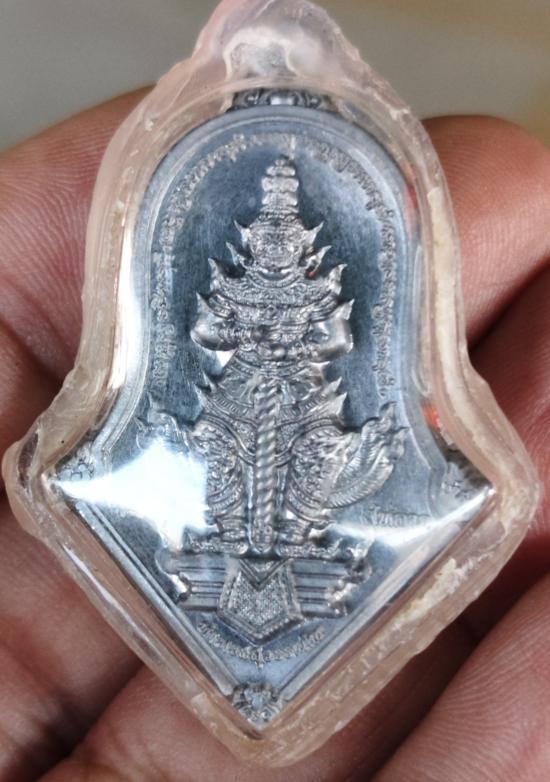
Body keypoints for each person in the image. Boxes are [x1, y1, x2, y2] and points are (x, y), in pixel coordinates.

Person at [0, 91, 548, 781]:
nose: (279, 247)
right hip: (236, 397)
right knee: (222, 463)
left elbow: (340, 338)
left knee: (311, 461)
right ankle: (238, 541)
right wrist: (248, 331)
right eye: (270, 240)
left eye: (287, 241)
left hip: (302, 397)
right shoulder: (235, 281)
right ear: (257, 240)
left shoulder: (318, 287)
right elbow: (206, 331)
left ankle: (298, 542)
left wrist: (296, 337)